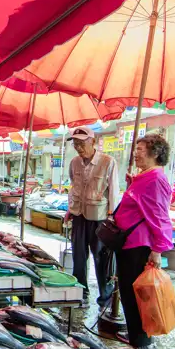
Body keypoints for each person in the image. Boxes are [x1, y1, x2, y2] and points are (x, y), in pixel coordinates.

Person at [112, 134, 174, 349]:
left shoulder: (155, 178)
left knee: (138, 296)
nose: (135, 153)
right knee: (129, 294)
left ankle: (144, 346)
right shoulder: (144, 177)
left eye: (140, 149)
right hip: (128, 244)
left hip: (139, 246)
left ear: (155, 153)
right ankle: (136, 338)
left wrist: (157, 249)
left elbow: (159, 216)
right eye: (135, 149)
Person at [64, 126, 119, 308]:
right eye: (76, 144)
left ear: (92, 142)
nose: (78, 147)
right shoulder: (74, 163)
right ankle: (81, 291)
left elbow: (113, 191)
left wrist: (112, 215)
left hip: (100, 217)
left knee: (101, 258)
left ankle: (105, 297)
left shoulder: (108, 162)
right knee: (79, 257)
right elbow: (74, 187)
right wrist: (70, 210)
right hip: (79, 215)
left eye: (82, 143)